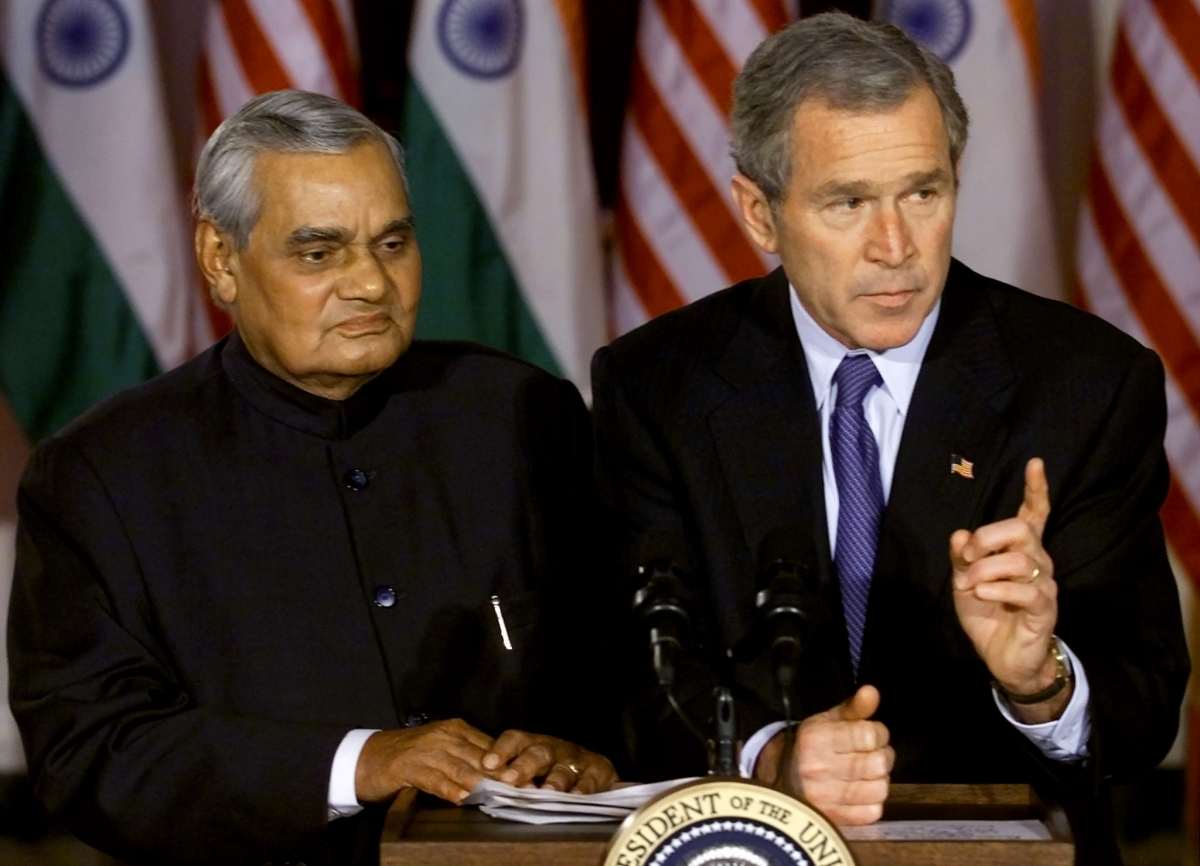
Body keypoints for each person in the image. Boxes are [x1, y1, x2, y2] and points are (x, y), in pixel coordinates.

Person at [591, 12, 1189, 864]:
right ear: (760, 214)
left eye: (923, 193)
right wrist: (773, 757)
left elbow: (1142, 713)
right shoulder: (659, 387)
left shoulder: (1086, 385)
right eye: (849, 202)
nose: (896, 246)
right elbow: (625, 677)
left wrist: (1040, 682)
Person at [8, 90, 616, 865]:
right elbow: (91, 752)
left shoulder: (522, 415)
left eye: (392, 243)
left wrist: (585, 750)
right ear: (221, 259)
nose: (371, 283)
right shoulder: (104, 474)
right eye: (319, 253)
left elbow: (628, 655)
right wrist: (359, 762)